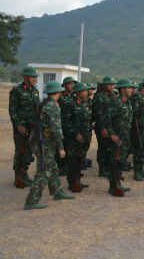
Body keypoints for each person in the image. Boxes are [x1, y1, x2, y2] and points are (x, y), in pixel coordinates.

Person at [24, 81, 75, 210]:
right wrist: (61, 147)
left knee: (53, 167)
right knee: (44, 171)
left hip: (43, 141)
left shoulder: (44, 103)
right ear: (59, 92)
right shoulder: (53, 106)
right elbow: (55, 129)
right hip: (46, 142)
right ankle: (32, 200)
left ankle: (57, 191)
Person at [9, 66, 41, 187]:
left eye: (36, 77)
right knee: (20, 152)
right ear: (25, 77)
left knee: (28, 151)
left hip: (31, 127)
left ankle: (25, 174)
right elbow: (12, 110)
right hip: (21, 128)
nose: (35, 79)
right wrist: (18, 126)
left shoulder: (35, 91)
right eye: (33, 77)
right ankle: (18, 177)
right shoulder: (16, 91)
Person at [103, 78, 134, 196]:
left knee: (120, 161)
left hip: (125, 137)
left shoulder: (127, 101)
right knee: (114, 162)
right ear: (123, 89)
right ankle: (113, 186)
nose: (131, 90)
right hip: (117, 137)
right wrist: (112, 134)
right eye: (129, 88)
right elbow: (106, 118)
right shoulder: (116, 102)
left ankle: (118, 183)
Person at [62, 82, 91, 192]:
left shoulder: (85, 104)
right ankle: (72, 183)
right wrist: (75, 134)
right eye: (84, 91)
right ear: (77, 92)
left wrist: (88, 135)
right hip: (74, 139)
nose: (86, 92)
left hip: (84, 137)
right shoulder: (70, 104)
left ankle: (78, 181)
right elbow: (66, 122)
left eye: (86, 90)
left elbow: (87, 121)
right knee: (72, 161)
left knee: (80, 160)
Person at [92, 76, 117, 177]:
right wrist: (103, 128)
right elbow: (98, 114)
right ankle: (102, 169)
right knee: (103, 148)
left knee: (110, 148)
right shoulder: (100, 96)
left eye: (113, 84)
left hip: (111, 127)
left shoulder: (113, 95)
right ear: (104, 85)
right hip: (102, 127)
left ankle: (107, 167)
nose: (112, 86)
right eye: (109, 84)